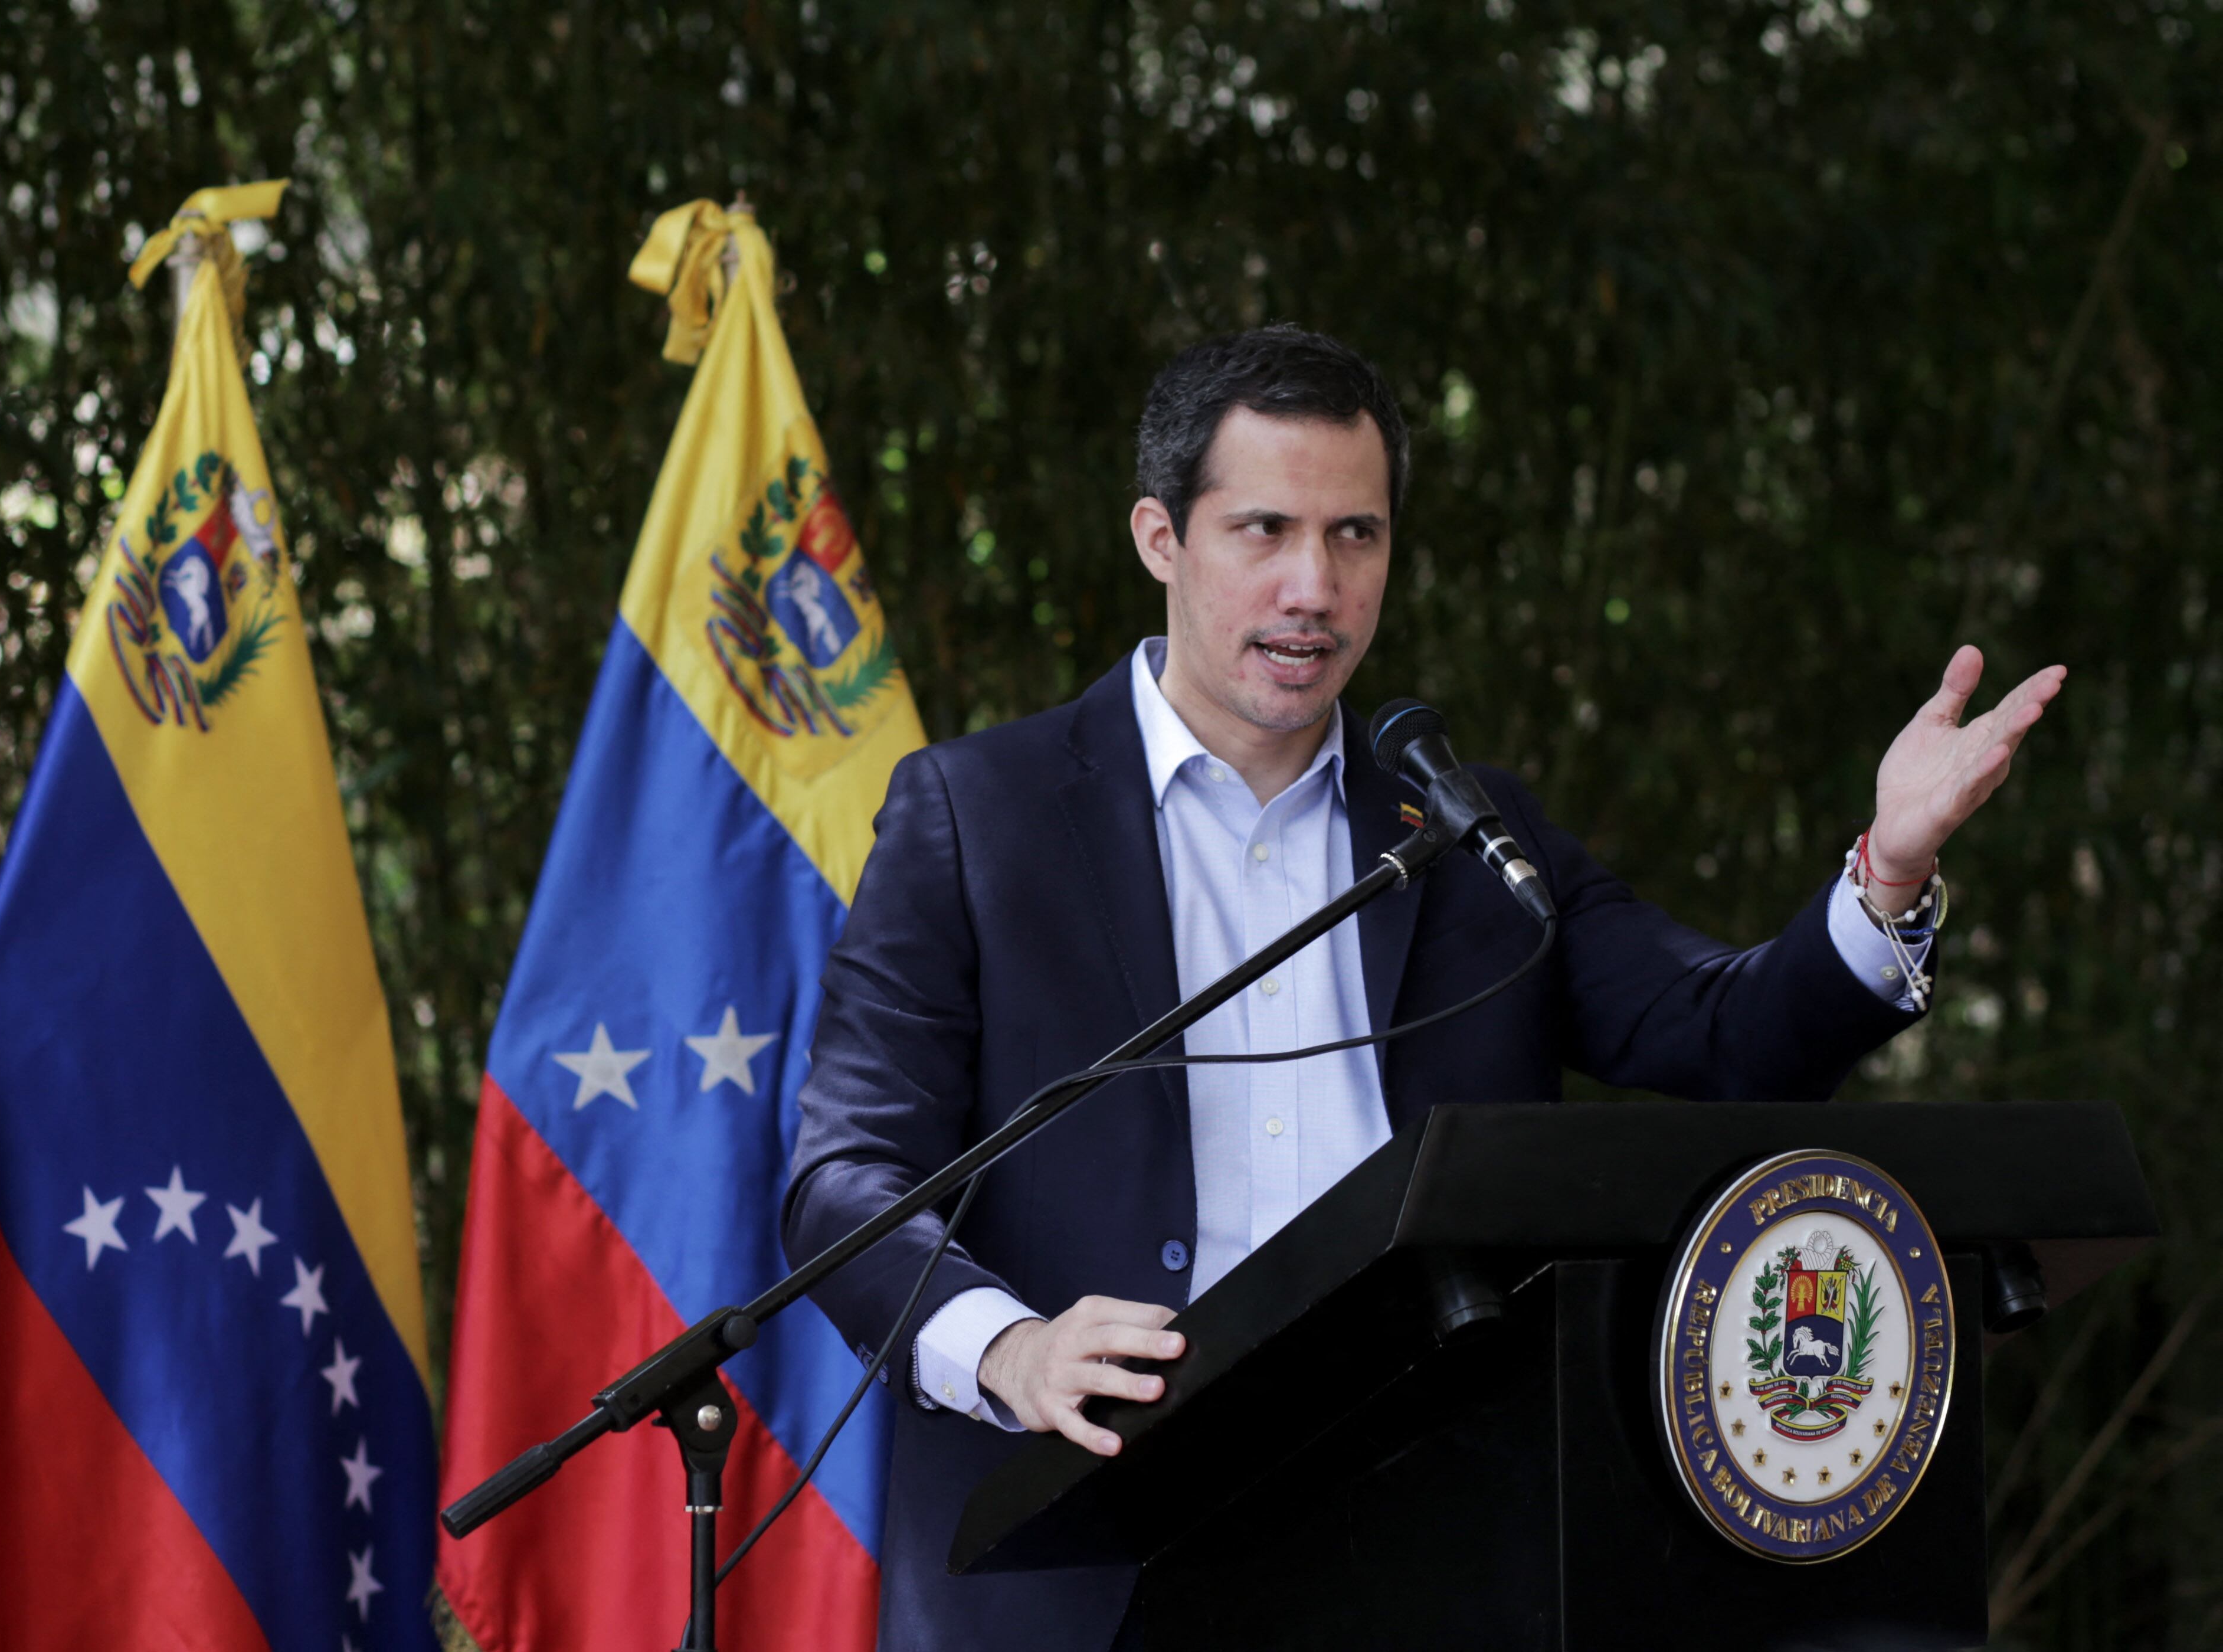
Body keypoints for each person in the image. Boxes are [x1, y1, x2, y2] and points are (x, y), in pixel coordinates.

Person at [781, 325, 2064, 1652]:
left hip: (1445, 1546)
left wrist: (1886, 873)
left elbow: (1722, 1033)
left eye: (1356, 536)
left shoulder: (1462, 827)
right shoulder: (978, 816)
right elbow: (846, 1176)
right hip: (1096, 1548)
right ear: (1160, 537)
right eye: (1264, 530)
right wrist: (1010, 1349)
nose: (1313, 587)